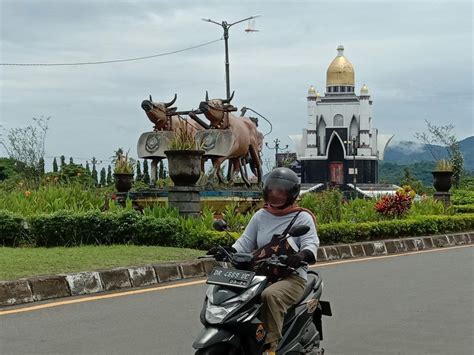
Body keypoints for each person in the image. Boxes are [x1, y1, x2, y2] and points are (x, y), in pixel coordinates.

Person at [232, 167, 319, 355]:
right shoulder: (261, 215)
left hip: (291, 277)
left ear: (291, 194)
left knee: (270, 296)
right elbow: (245, 242)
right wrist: (229, 251)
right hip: (261, 273)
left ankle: (270, 346)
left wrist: (300, 256)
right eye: (272, 189)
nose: (276, 194)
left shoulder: (301, 217)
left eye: (281, 191)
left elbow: (311, 245)